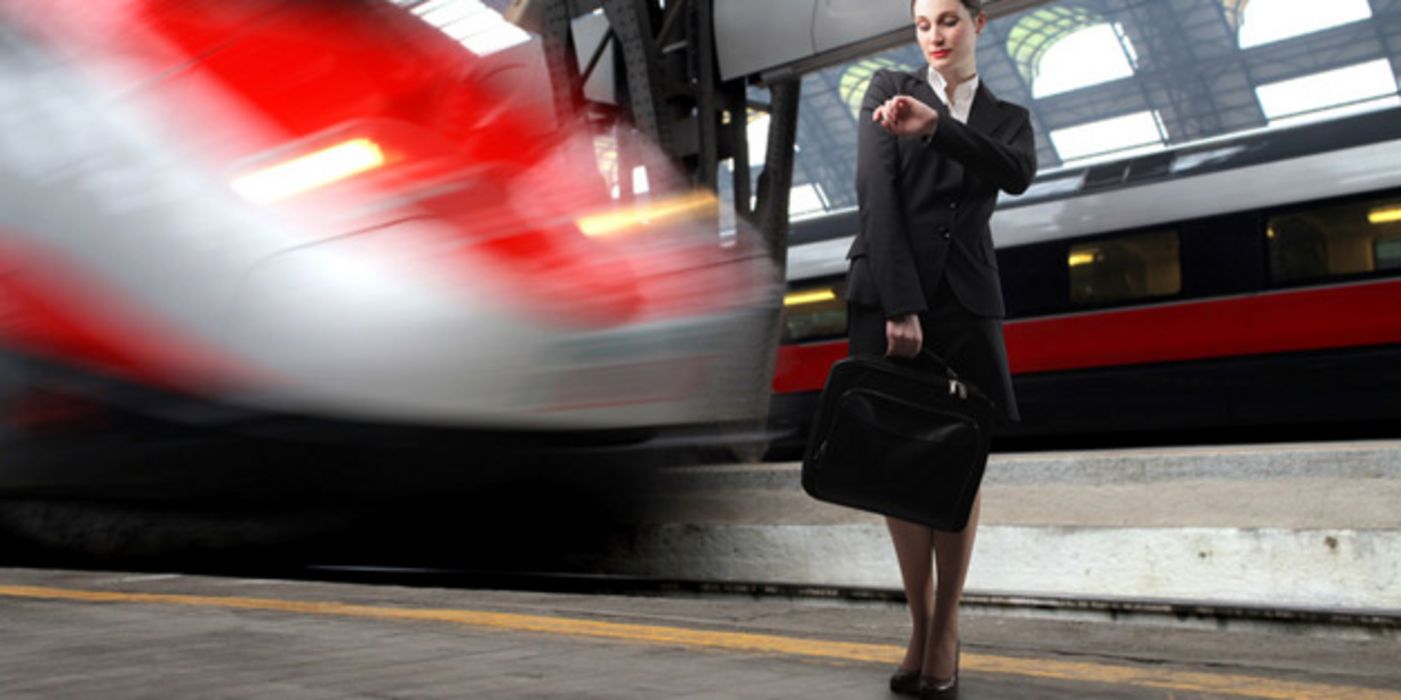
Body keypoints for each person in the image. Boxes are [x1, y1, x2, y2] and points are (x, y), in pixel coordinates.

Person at [844, 0, 1036, 696]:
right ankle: (919, 623)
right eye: (923, 23)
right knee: (899, 464)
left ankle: (946, 626)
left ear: (978, 24)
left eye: (948, 20)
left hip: (967, 305)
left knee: (958, 464)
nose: (933, 36)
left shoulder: (1008, 117)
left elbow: (1014, 172)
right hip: (892, 298)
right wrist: (901, 305)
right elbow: (876, 197)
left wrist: (941, 129)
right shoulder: (884, 90)